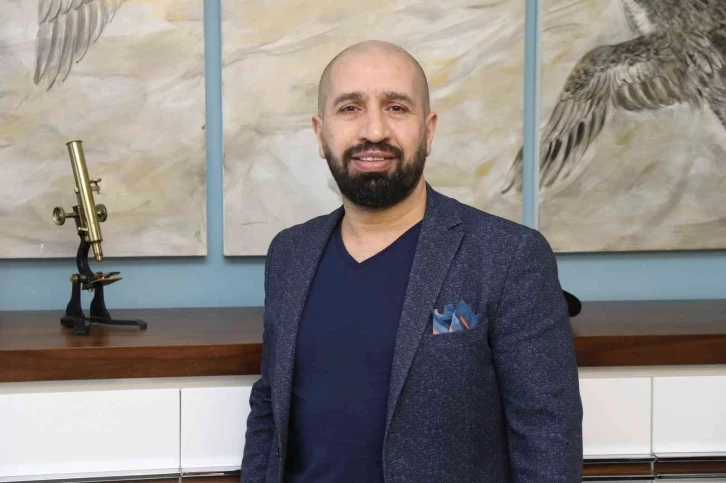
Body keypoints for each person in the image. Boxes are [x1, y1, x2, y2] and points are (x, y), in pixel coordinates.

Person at [241, 40, 583, 483]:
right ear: (320, 134)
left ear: (429, 130)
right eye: (350, 108)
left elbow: (547, 436)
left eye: (396, 108)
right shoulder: (289, 254)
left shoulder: (509, 255)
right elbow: (269, 407)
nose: (374, 131)